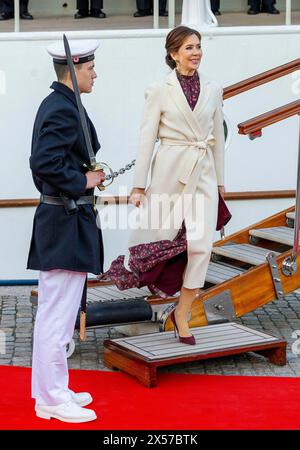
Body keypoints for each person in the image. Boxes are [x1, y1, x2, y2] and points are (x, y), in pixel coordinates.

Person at [101, 26, 225, 345]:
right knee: (159, 238)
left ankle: (182, 313)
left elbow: (218, 141)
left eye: (198, 46)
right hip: (169, 172)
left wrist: (221, 183)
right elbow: (146, 139)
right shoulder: (158, 89)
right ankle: (147, 284)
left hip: (204, 174)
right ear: (173, 54)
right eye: (188, 48)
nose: (196, 52)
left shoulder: (214, 88)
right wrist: (139, 185)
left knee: (201, 246)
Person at [27, 39, 105, 423]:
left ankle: (52, 389)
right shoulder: (61, 107)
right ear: (74, 68)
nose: (96, 74)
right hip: (63, 225)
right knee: (56, 317)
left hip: (65, 223)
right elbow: (43, 163)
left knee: (56, 313)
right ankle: (52, 399)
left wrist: (86, 178)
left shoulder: (62, 104)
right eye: (91, 68)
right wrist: (84, 180)